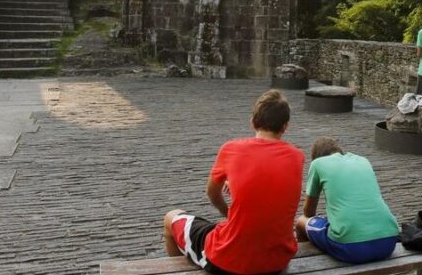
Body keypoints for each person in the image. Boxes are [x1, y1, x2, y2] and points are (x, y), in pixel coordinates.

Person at [163, 90, 304, 275]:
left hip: (230, 258)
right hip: (276, 260)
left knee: (171, 218)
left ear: (252, 122)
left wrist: (227, 212)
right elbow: (269, 185)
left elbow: (212, 193)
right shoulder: (297, 157)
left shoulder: (231, 149)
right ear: (285, 127)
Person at [295, 137, 399, 263]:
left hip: (352, 249)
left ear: (317, 157)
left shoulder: (318, 164)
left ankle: (304, 263)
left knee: (301, 221)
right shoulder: (363, 160)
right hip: (388, 243)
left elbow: (308, 212)